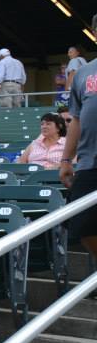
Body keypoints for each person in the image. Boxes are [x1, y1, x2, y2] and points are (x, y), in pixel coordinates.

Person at [62, 16, 97, 263]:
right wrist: (66, 159)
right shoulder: (84, 72)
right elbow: (75, 119)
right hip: (89, 161)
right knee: (82, 225)